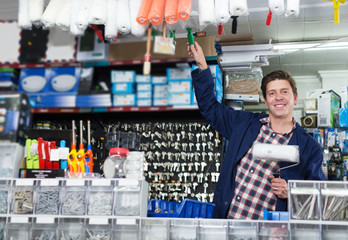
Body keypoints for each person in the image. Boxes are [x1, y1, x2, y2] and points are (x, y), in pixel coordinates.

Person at [187, 41, 327, 219]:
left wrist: (291, 192)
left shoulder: (309, 147)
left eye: (284, 92)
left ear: (295, 98)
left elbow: (319, 198)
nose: (278, 98)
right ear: (266, 100)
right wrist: (202, 65)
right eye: (272, 93)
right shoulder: (244, 124)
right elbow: (210, 108)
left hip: (268, 233)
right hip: (226, 225)